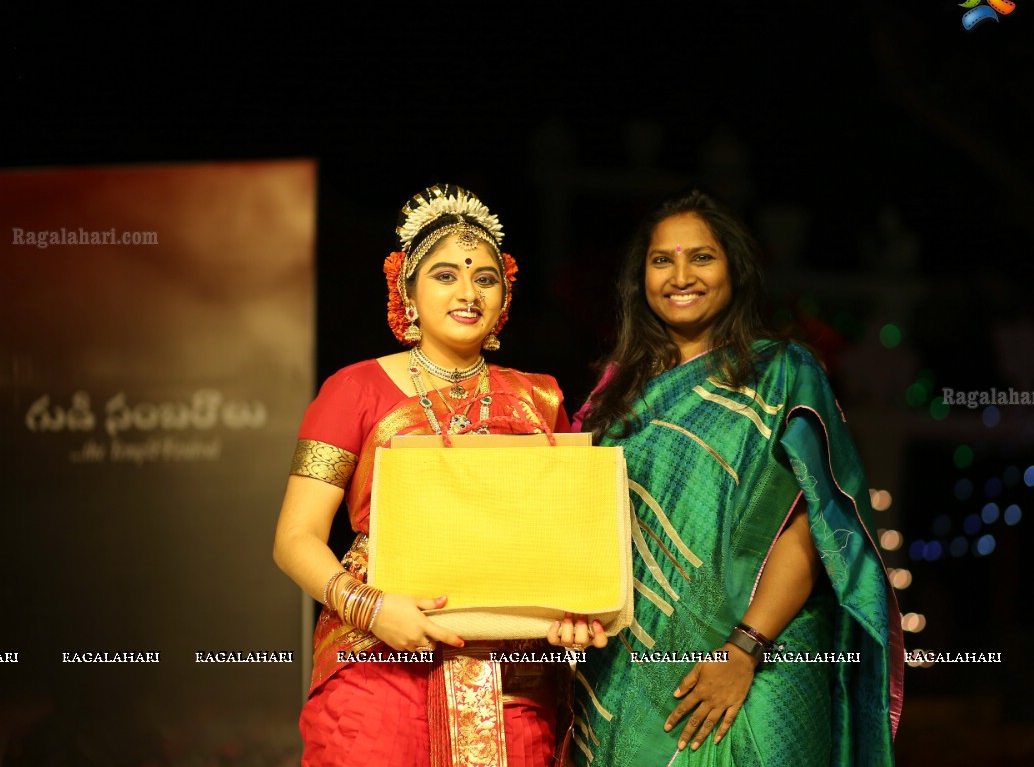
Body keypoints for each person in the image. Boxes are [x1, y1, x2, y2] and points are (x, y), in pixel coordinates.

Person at [273, 183, 605, 767]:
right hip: (379, 658)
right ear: (407, 288)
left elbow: (559, 544)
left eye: (485, 277)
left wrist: (572, 612)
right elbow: (295, 539)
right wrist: (372, 609)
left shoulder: (539, 398)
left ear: (505, 295)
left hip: (514, 673)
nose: (468, 292)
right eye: (445, 275)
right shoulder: (353, 390)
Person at [571, 190, 903, 765]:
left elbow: (810, 527)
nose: (680, 275)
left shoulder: (782, 373)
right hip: (628, 658)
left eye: (702, 257)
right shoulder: (613, 393)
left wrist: (743, 650)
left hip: (762, 658)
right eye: (661, 260)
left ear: (736, 270)